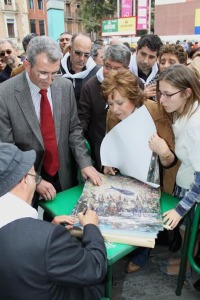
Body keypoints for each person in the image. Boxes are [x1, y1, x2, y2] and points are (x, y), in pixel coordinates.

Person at [0, 35, 102, 210]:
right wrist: (35, 179)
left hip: (63, 173)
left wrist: (85, 163)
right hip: (25, 179)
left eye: (54, 73)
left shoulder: (64, 86)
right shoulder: (5, 94)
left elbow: (74, 130)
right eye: (43, 73)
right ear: (27, 65)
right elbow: (7, 148)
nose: (49, 81)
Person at [0, 142, 107, 300]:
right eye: (34, 176)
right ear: (24, 181)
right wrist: (91, 227)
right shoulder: (46, 239)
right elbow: (95, 268)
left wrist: (47, 229)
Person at [101, 68, 178, 273]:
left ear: (134, 98)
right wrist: (109, 163)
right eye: (110, 103)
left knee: (143, 214)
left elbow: (171, 161)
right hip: (125, 176)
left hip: (157, 178)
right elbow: (112, 142)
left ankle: (140, 255)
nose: (115, 109)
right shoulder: (112, 115)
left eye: (120, 103)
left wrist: (163, 151)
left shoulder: (156, 114)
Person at [151, 64, 200, 276]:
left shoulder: (195, 126)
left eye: (168, 95)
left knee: (191, 230)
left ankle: (187, 266)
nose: (162, 100)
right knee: (185, 231)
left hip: (192, 192)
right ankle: (184, 260)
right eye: (160, 93)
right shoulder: (184, 110)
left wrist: (180, 209)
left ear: (187, 92)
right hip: (185, 182)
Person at [78, 44, 131, 171]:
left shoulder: (135, 84)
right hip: (101, 152)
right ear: (102, 62)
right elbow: (82, 122)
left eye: (117, 68)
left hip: (129, 151)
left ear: (127, 69)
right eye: (107, 66)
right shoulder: (89, 87)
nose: (111, 73)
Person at [60, 33, 100, 103]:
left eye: (86, 55)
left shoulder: (97, 73)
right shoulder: (57, 71)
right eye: (78, 53)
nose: (82, 58)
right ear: (70, 49)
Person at [129, 34, 163, 99]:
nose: (145, 61)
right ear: (136, 50)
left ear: (157, 58)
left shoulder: (161, 73)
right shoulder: (124, 68)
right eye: (143, 54)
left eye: (151, 57)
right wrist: (141, 96)